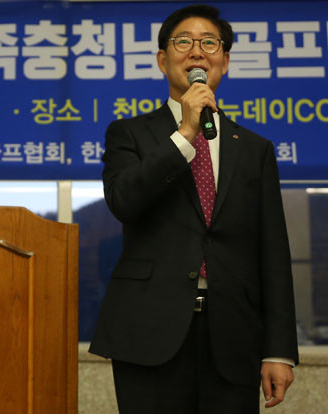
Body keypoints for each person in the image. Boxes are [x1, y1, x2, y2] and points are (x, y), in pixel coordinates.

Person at [89, 4, 298, 413]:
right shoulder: (129, 133)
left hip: (233, 335)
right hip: (149, 332)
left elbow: (273, 253)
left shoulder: (254, 149)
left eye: (209, 43)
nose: (197, 51)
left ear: (225, 61)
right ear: (162, 59)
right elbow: (123, 201)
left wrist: (279, 350)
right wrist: (185, 133)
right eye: (183, 42)